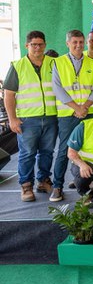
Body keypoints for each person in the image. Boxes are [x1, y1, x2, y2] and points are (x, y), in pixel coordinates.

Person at [3, 30, 57, 201]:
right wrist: (12, 119)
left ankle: (43, 180)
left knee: (47, 152)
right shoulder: (17, 66)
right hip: (27, 120)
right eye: (34, 44)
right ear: (27, 46)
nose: (37, 47)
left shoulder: (54, 63)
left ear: (45, 45)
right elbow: (9, 94)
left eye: (40, 44)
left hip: (51, 117)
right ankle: (26, 186)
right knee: (27, 153)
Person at [50, 29, 93, 202]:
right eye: (75, 42)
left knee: (90, 149)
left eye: (81, 42)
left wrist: (85, 106)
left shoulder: (92, 63)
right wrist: (75, 108)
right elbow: (57, 88)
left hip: (89, 112)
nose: (78, 45)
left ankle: (90, 185)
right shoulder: (58, 62)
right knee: (65, 150)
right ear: (68, 44)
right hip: (67, 114)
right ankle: (57, 186)